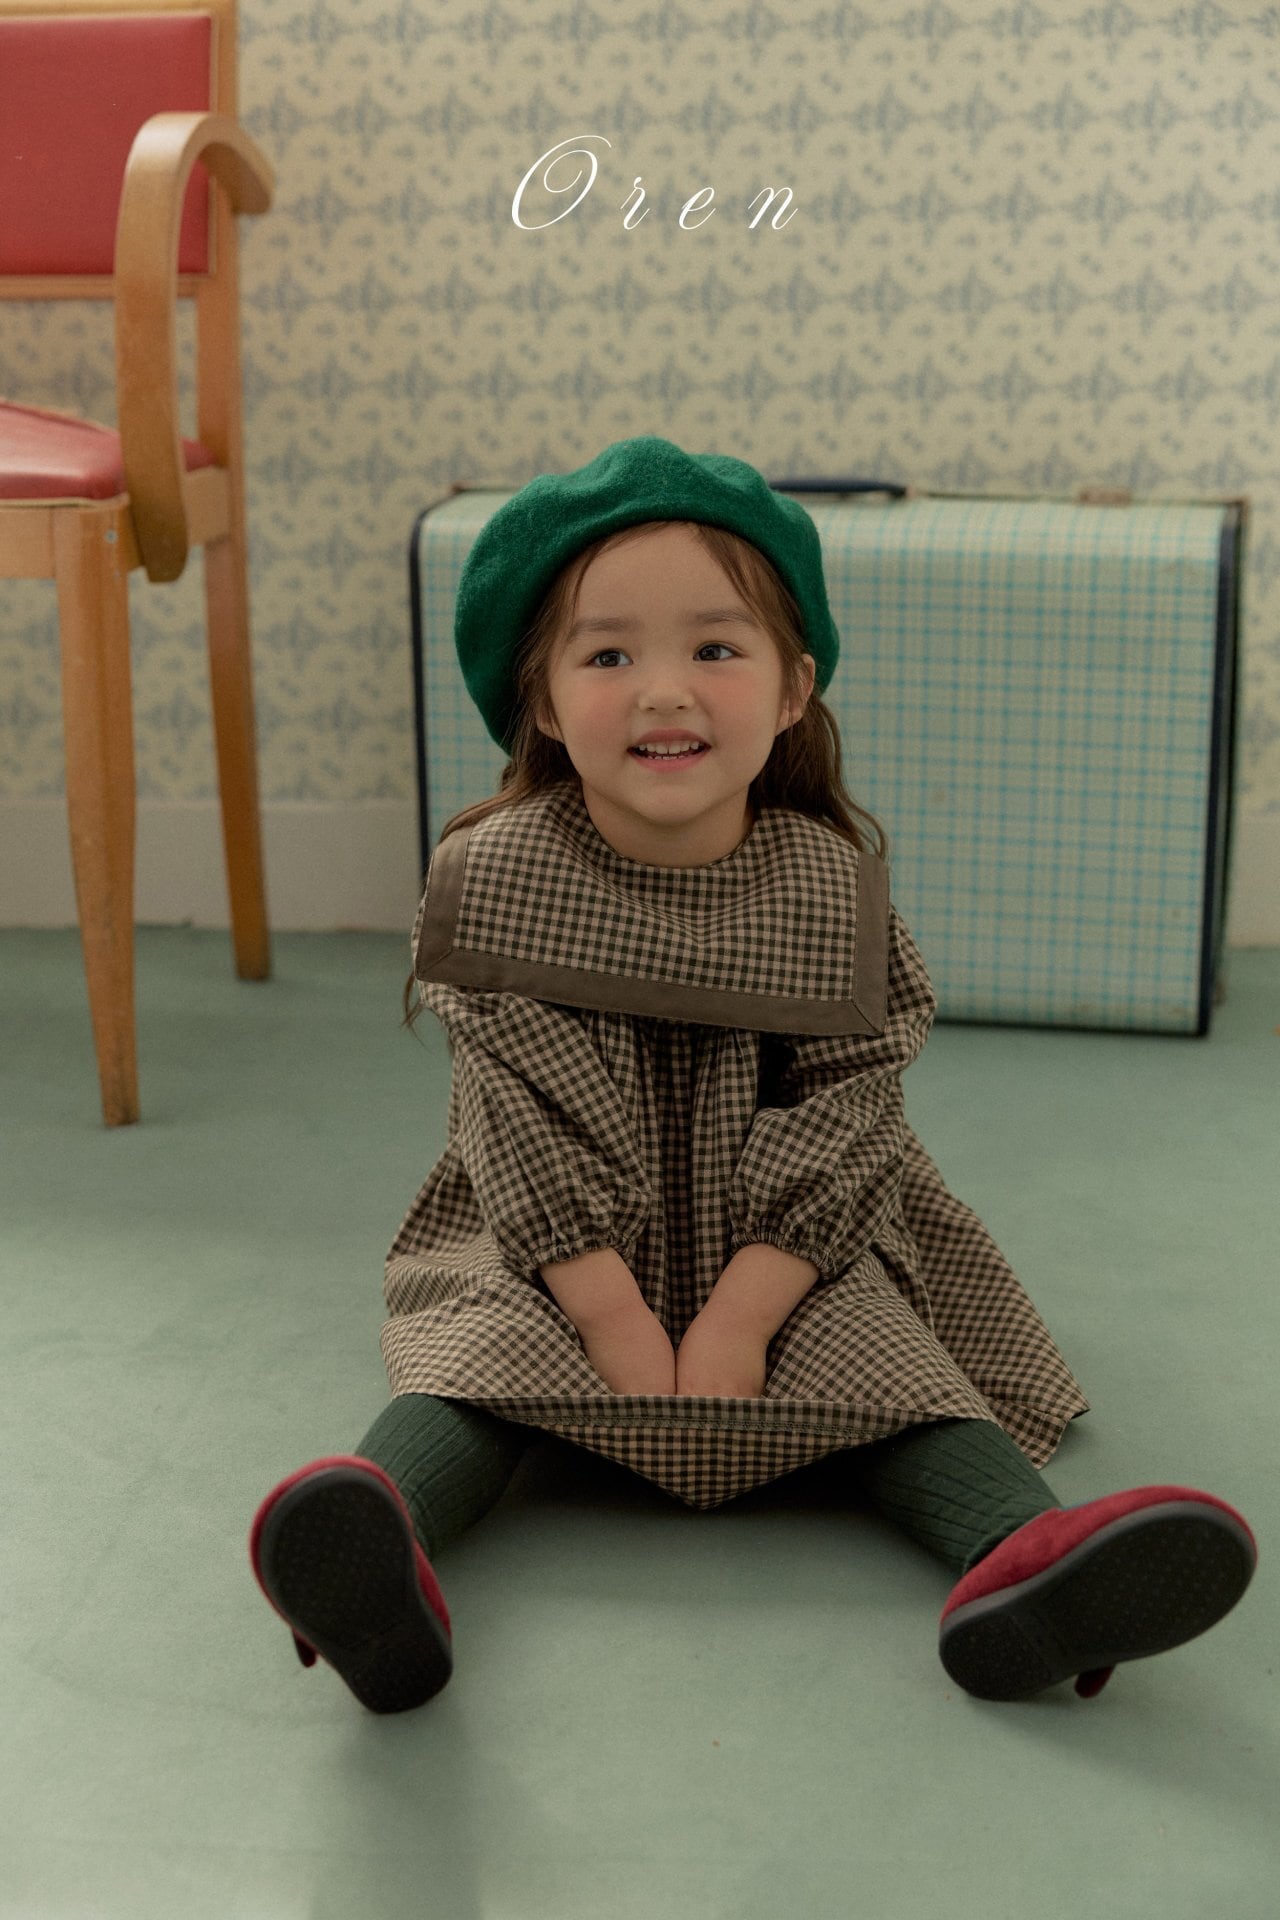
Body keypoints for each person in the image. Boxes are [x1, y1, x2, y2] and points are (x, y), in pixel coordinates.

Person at [249, 436, 1256, 1715]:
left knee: (884, 1356)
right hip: (559, 1243)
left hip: (785, 1245)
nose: (663, 691)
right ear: (541, 703)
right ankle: (377, 1550)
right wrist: (611, 1319)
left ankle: (1024, 1567)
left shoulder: (824, 887)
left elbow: (848, 1119)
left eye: (715, 649)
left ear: (792, 690)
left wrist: (741, 1316)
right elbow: (518, 1128)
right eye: (607, 656)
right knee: (484, 1350)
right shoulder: (503, 878)